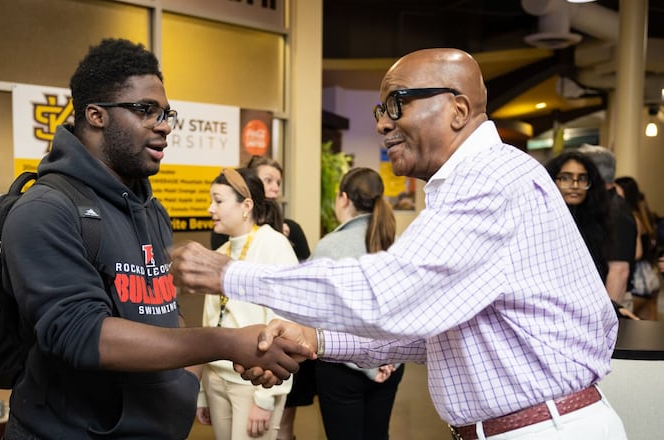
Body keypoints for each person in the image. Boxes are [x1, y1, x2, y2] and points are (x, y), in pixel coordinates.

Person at [170, 48, 627, 439]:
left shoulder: (489, 181)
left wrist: (227, 273)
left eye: (397, 104)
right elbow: (433, 336)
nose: (384, 125)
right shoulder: (475, 183)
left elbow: (384, 294)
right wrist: (316, 338)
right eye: (380, 111)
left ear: (459, 110)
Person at [0, 38, 307, 440]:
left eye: (166, 113)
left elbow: (166, 306)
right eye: (146, 110)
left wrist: (185, 381)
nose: (163, 125)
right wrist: (225, 343)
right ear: (96, 115)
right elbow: (83, 336)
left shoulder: (149, 209)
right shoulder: (45, 210)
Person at [210, 155, 313, 440]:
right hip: (217, 378)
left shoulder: (275, 246)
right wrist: (203, 393)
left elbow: (287, 325)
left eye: (218, 201)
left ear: (245, 206)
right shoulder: (220, 254)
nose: (210, 209)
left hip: (256, 383)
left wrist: (267, 397)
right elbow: (211, 321)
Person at [312, 167, 404, 440]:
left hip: (342, 369)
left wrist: (368, 364)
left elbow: (320, 317)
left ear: (343, 199)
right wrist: (386, 361)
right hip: (391, 366)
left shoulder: (329, 246)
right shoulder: (397, 243)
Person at [544, 151, 637, 320]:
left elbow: (603, 276)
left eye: (582, 178)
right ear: (552, 181)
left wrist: (612, 309)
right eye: (565, 178)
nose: (574, 184)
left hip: (588, 316)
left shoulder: (600, 223)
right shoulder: (540, 221)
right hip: (547, 314)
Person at [212, 156, 311, 261]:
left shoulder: (283, 235)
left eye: (278, 183)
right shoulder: (225, 231)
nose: (276, 188)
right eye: (268, 180)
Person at [577, 144, 637, 307]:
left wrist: (608, 315)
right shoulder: (601, 206)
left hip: (609, 304)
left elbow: (618, 271)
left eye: (581, 175)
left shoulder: (616, 211)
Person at [615, 176, 660, 320]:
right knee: (648, 332)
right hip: (651, 278)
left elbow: (637, 253)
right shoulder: (645, 216)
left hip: (638, 283)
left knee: (630, 330)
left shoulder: (630, 219)